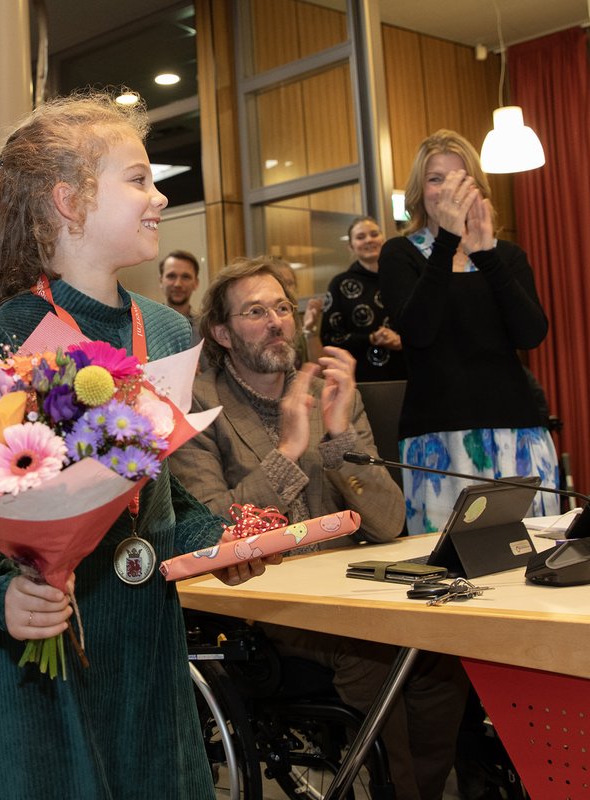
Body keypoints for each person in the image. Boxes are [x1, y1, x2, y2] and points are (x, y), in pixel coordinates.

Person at [0, 94, 271, 799]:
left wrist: (221, 540)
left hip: (147, 653)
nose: (160, 195)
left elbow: (158, 499)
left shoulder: (167, 333)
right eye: (138, 179)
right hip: (44, 653)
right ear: (69, 202)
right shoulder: (11, 335)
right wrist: (3, 590)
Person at [169, 256, 468, 800]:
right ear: (222, 331)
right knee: (370, 653)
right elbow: (215, 530)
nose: (276, 321)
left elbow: (387, 522)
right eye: (255, 311)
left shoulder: (336, 394)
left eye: (282, 306)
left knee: (442, 651)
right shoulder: (197, 406)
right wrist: (288, 450)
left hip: (349, 583)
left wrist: (337, 438)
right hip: (261, 602)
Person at [379, 130, 560, 534]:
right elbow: (419, 332)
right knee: (450, 567)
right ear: (419, 191)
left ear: (477, 188)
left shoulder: (506, 255)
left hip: (518, 430)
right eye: (436, 178)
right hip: (438, 439)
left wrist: (486, 254)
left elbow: (531, 334)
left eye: (460, 179)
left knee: (534, 558)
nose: (448, 189)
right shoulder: (400, 254)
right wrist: (446, 242)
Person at [321, 216, 407, 382]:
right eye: (360, 237)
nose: (369, 240)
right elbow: (329, 337)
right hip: (362, 379)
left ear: (383, 238)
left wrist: (401, 341)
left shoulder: (403, 278)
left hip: (410, 373)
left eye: (374, 234)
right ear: (351, 246)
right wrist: (370, 339)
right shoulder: (340, 284)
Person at [158, 248, 200, 321]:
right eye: (171, 276)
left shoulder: (205, 329)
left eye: (185, 277)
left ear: (196, 283)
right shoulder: (144, 325)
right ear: (161, 281)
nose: (178, 284)